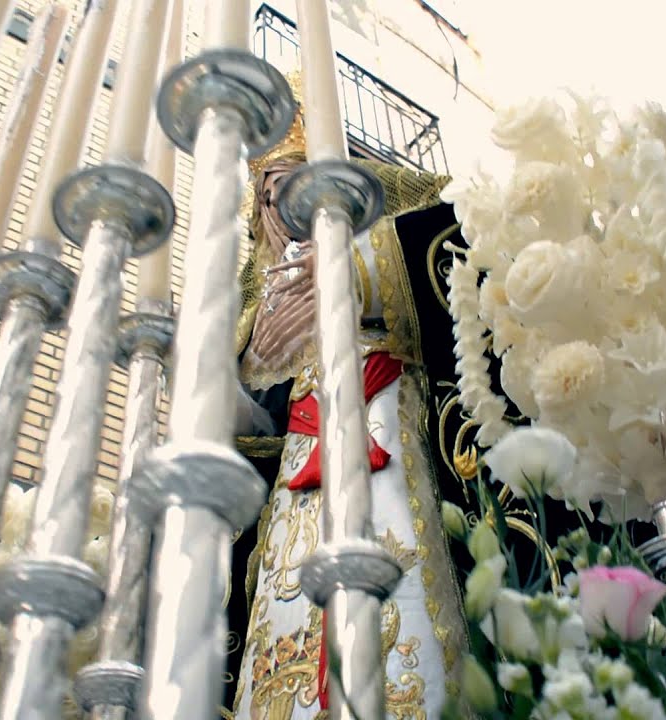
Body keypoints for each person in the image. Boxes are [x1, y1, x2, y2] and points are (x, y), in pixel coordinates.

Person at [229, 75, 472, 720]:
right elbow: (251, 416)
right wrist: (249, 360)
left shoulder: (379, 234)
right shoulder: (262, 292)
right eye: (266, 191)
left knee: (404, 613)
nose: (278, 202)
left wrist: (354, 276)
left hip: (385, 424)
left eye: (292, 181)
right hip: (300, 466)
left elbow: (459, 243)